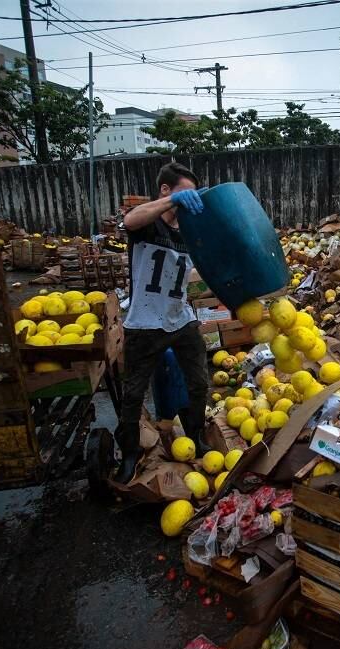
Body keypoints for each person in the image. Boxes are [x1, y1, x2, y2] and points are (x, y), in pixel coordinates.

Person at [114, 162, 209, 484]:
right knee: (133, 394)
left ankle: (195, 436)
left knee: (199, 382)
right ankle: (129, 453)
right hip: (144, 322)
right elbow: (129, 220)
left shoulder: (190, 233)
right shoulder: (148, 226)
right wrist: (173, 202)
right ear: (166, 190)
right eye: (184, 194)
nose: (188, 202)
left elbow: (198, 272)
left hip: (180, 319)